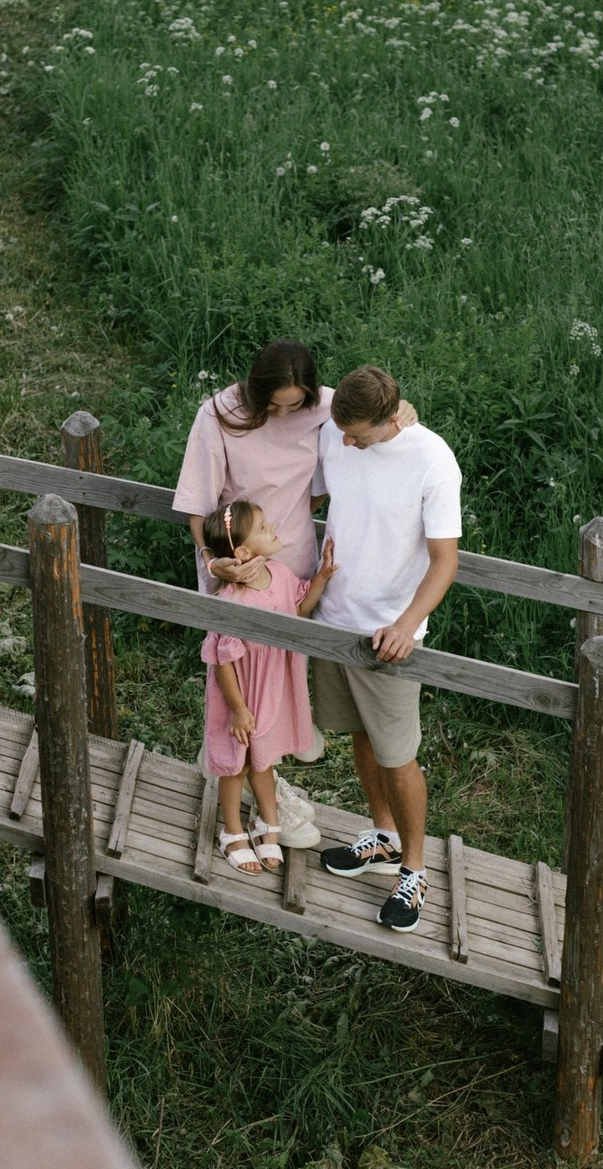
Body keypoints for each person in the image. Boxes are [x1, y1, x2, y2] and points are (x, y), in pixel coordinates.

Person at [173, 339, 415, 841]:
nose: (283, 413)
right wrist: (214, 561)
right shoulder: (218, 415)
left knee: (278, 681)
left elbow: (370, 424)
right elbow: (198, 509)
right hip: (235, 573)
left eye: (293, 405)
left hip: (293, 574)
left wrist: (404, 412)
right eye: (272, 404)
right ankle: (237, 773)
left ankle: (265, 780)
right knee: (235, 676)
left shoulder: (325, 407)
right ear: (254, 389)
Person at [311, 366, 461, 933]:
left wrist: (407, 623)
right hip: (334, 621)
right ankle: (383, 836)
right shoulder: (338, 424)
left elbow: (445, 561)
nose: (346, 443)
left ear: (392, 419)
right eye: (342, 432)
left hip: (389, 635)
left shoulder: (432, 460)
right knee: (359, 736)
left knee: (398, 755)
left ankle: (415, 869)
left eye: (359, 436)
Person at [199, 500, 337, 877]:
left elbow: (300, 609)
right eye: (263, 527)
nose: (273, 528)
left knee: (264, 757)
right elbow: (223, 661)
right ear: (242, 552)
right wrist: (239, 709)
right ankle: (231, 830)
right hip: (240, 693)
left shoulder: (280, 572)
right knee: (236, 762)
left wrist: (322, 577)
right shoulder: (232, 598)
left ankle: (267, 825)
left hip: (272, 684)